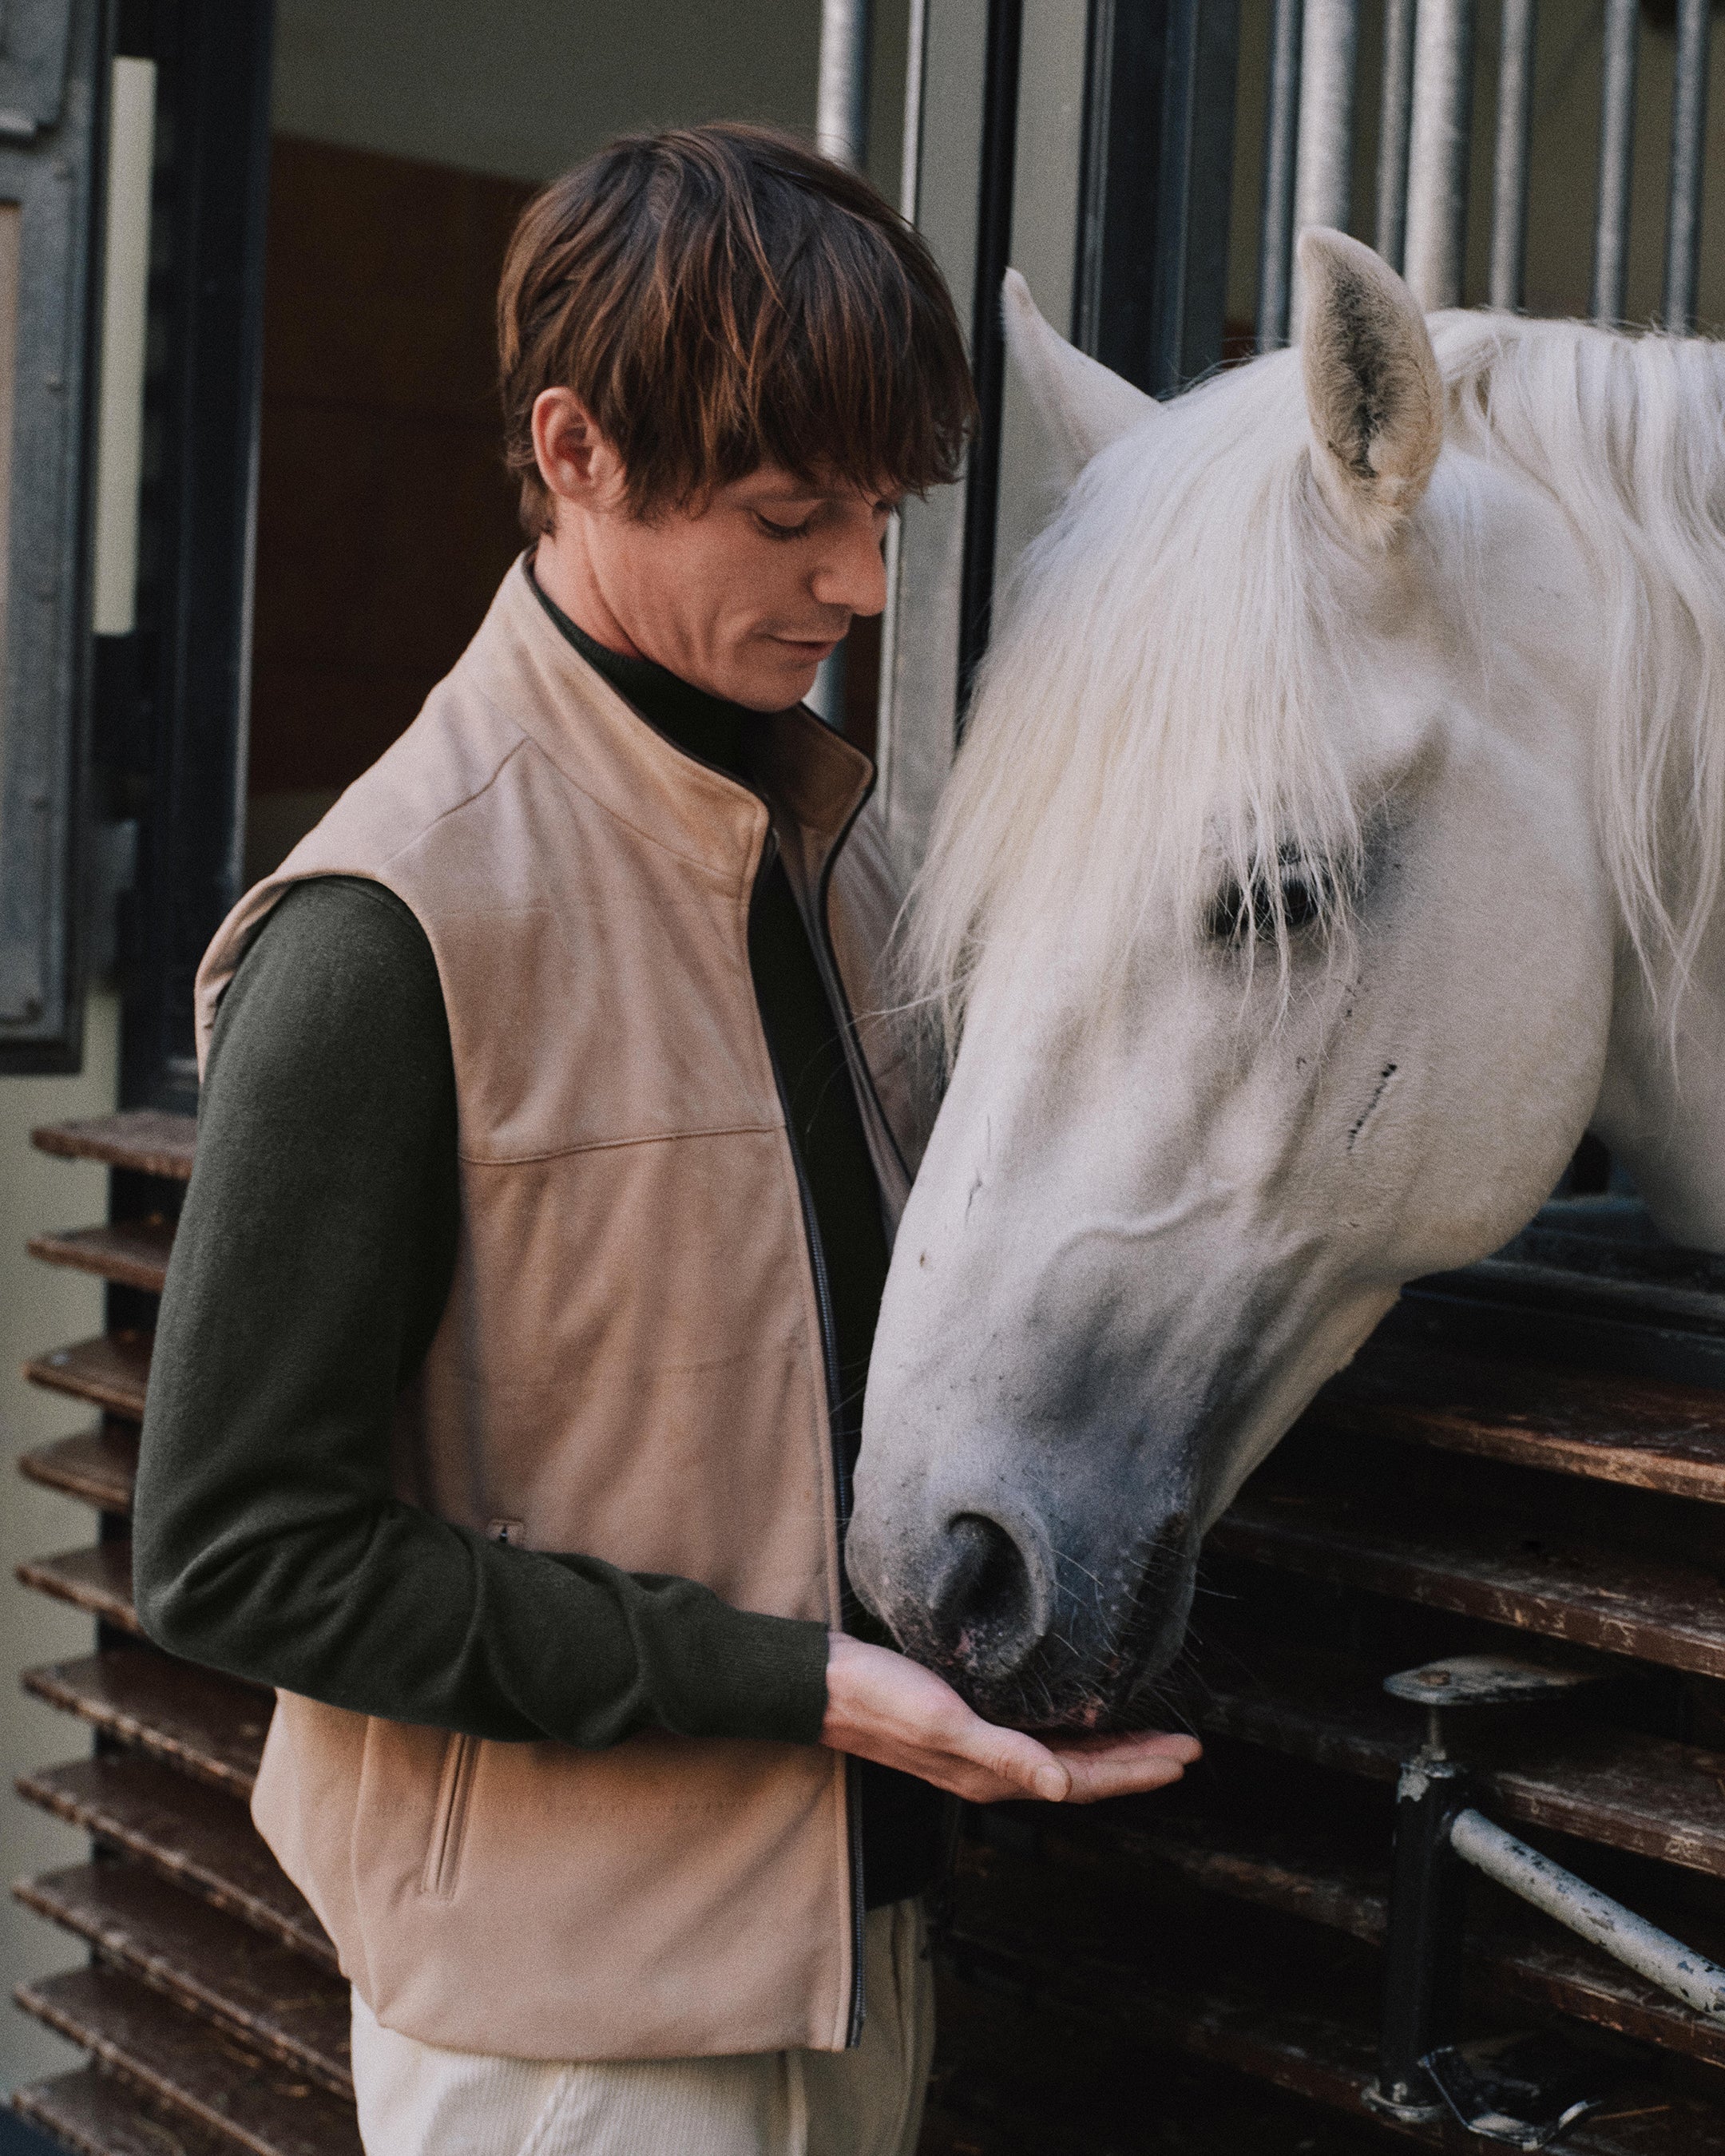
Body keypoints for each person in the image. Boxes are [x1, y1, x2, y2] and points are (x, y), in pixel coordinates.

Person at [133, 123, 1200, 2156]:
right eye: (795, 513)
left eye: (880, 509)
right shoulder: (388, 927)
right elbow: (230, 1554)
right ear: (579, 449)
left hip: (861, 1949)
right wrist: (793, 1683)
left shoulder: (842, 844)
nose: (863, 583)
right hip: (575, 2039)